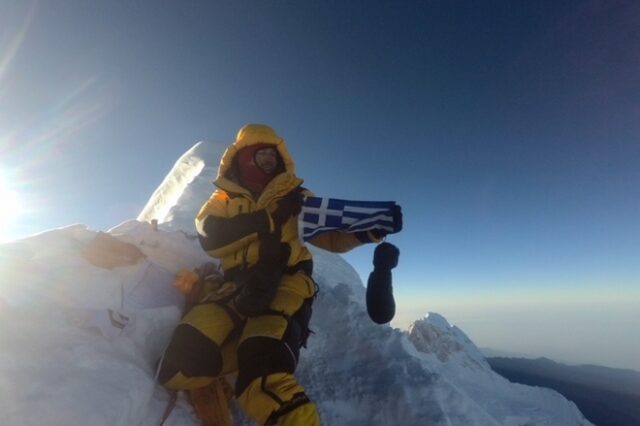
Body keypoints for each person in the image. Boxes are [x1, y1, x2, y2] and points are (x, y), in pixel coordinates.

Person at [157, 124, 402, 425]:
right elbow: (211, 236)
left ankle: (258, 355)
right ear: (244, 158)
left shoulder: (296, 198)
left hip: (287, 281)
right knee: (176, 367)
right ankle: (245, 346)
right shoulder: (223, 200)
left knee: (263, 369)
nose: (270, 164)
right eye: (262, 157)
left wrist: (367, 232)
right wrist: (268, 219)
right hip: (234, 286)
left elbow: (332, 237)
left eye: (274, 158)